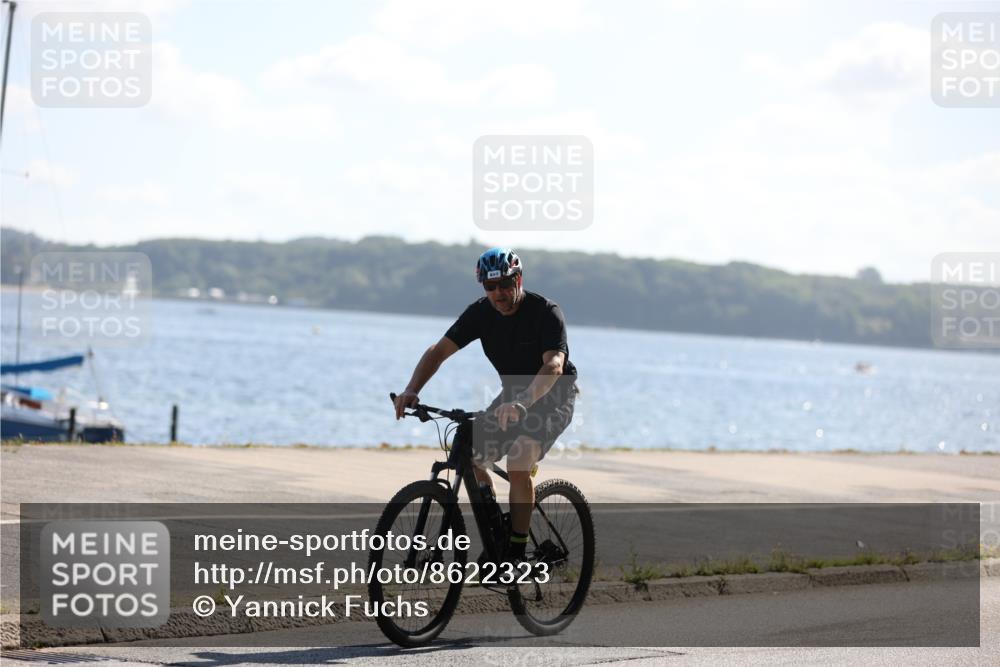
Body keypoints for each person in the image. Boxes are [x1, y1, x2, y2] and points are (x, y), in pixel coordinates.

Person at [394, 247, 578, 563]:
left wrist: (523, 402)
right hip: (512, 396)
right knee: (469, 450)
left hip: (553, 395)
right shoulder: (480, 313)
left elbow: (554, 366)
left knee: (519, 461)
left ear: (518, 279)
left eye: (505, 284)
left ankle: (516, 553)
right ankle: (495, 527)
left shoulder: (546, 312)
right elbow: (438, 351)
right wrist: (412, 389)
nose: (498, 294)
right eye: (490, 287)